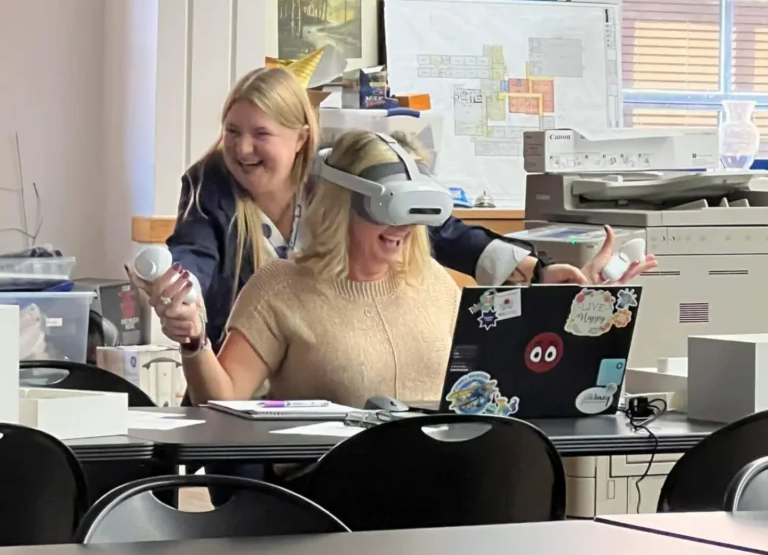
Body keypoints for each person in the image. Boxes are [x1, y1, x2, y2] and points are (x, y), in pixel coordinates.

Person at [135, 64, 657, 351]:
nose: (242, 148)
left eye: (260, 134)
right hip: (242, 371)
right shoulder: (211, 186)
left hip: (334, 367)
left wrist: (539, 272)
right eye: (232, 132)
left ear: (299, 138)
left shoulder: (341, 182)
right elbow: (194, 257)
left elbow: (444, 233)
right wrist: (180, 298)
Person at [159, 130, 461, 405]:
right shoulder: (281, 289)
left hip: (444, 462)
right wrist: (195, 340)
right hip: (329, 464)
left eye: (412, 211)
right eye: (387, 209)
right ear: (341, 206)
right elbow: (221, 401)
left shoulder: (434, 282)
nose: (402, 226)